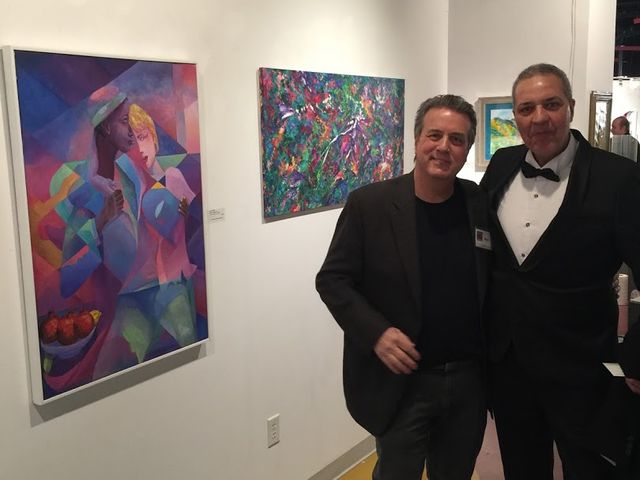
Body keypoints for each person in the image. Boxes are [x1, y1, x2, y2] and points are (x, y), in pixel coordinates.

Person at [316, 95, 490, 480]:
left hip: (468, 383)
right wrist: (376, 334)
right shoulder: (370, 205)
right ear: (416, 140)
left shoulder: (478, 203)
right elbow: (332, 279)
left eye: (457, 139)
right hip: (402, 385)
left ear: (467, 150)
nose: (444, 147)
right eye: (435, 135)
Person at [480, 63, 640, 480]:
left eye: (551, 104)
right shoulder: (501, 164)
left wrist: (637, 355)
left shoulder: (620, 178)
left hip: (583, 371)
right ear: (515, 116)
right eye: (526, 108)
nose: (539, 118)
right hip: (510, 369)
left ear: (571, 106)